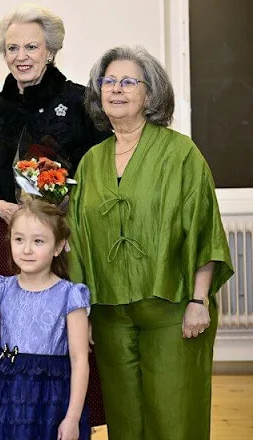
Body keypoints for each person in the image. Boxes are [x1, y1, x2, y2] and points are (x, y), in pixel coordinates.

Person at [68, 46, 234, 440]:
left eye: (128, 82)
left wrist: (199, 300)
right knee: (125, 423)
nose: (116, 89)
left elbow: (203, 225)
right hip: (109, 314)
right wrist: (83, 312)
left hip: (173, 309)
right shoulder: (91, 161)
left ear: (150, 94)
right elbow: (78, 239)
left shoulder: (180, 153)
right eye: (108, 82)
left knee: (175, 417)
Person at [0, 3, 110, 278]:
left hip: (68, 239)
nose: (21, 56)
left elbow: (103, 174)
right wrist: (0, 207)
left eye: (31, 47)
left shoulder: (80, 102)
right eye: (12, 48)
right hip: (10, 239)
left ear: (50, 52)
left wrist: (65, 208)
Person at [0, 195, 90, 440]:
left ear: (57, 246)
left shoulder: (70, 295)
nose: (27, 249)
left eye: (38, 241)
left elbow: (79, 359)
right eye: (19, 239)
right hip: (7, 400)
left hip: (52, 401)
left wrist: (72, 417)